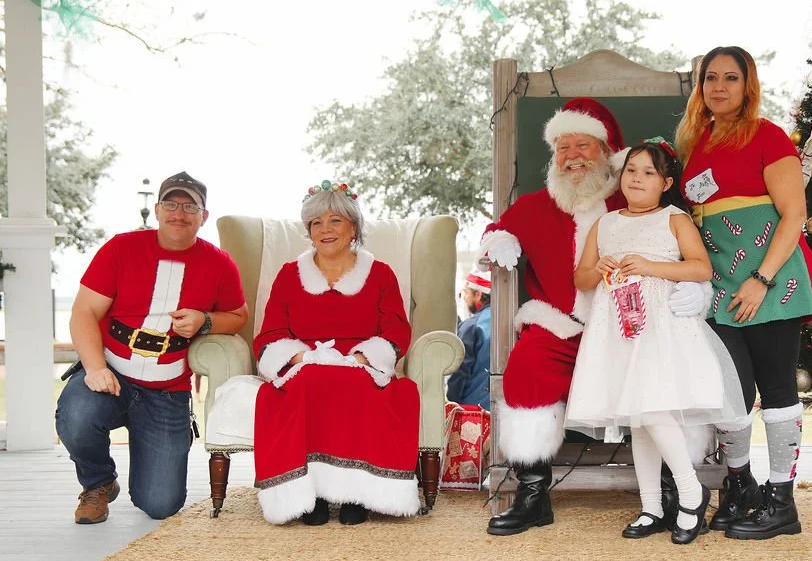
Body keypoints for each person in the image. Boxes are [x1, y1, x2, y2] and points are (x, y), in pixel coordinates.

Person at [478, 98, 711, 536]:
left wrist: (696, 291)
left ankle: (672, 487)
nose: (572, 157)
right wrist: (499, 241)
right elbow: (497, 232)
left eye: (582, 145)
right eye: (563, 148)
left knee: (658, 382)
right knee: (527, 366)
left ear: (608, 152)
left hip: (634, 330)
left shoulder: (637, 202)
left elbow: (688, 255)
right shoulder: (535, 205)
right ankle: (533, 494)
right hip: (561, 327)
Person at [673, 46, 812, 540]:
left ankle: (782, 501)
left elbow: (794, 215)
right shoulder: (695, 142)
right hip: (718, 284)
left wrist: (760, 279)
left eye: (731, 78)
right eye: (710, 78)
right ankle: (740, 487)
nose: (719, 87)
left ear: (749, 85)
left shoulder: (768, 136)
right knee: (732, 395)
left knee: (777, 390)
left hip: (770, 282)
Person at [568, 140, 745, 544]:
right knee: (638, 417)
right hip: (617, 329)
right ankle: (651, 507)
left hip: (660, 328)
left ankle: (690, 490)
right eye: (631, 170)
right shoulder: (606, 223)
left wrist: (649, 266)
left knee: (652, 410)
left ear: (666, 182)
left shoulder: (674, 218)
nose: (637, 178)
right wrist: (598, 267)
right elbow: (581, 279)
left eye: (649, 173)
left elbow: (701, 267)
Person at [55, 171, 249, 524]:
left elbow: (238, 315)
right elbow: (83, 312)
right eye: (171, 204)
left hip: (167, 390)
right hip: (112, 371)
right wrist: (96, 368)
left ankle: (151, 453)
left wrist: (205, 320)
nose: (179, 213)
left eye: (190, 206)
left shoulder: (220, 263)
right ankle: (98, 483)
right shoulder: (121, 247)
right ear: (158, 210)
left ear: (203, 216)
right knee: (76, 415)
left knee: (161, 504)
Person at [246, 181, 420, 525]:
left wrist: (361, 359)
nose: (325, 230)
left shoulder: (381, 274)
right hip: (305, 363)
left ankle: (356, 496)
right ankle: (316, 497)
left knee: (352, 383)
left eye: (335, 221)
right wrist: (300, 358)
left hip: (361, 363)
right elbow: (272, 332)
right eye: (316, 223)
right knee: (312, 380)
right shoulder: (288, 275)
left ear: (353, 227)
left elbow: (397, 329)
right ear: (309, 232)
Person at [448, 270, 492, 409]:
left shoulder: (472, 326)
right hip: (504, 409)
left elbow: (459, 372)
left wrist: (450, 403)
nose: (465, 299)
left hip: (472, 409)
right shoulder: (510, 321)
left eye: (466, 293)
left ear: (478, 294)